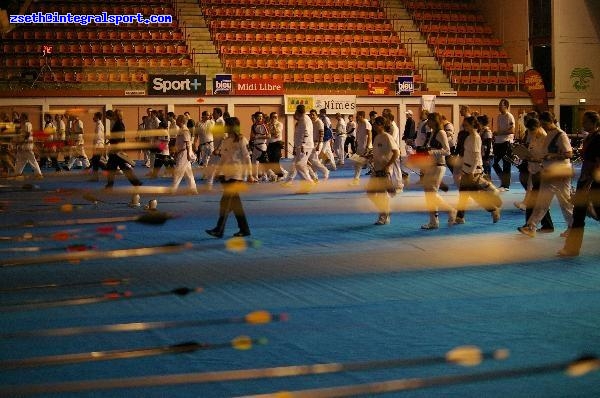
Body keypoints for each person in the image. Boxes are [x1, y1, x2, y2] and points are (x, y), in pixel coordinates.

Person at [518, 111, 573, 237]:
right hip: (548, 172)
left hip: (561, 173)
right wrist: (536, 160)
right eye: (541, 124)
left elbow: (569, 154)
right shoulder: (549, 135)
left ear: (551, 121)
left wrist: (553, 155)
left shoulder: (561, 135)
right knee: (542, 202)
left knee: (565, 203)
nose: (542, 126)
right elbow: (545, 156)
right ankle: (531, 227)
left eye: (544, 123)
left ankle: (572, 227)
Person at [559, 111, 600, 256]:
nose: (583, 124)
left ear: (594, 123)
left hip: (593, 182)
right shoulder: (589, 138)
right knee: (578, 215)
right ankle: (572, 248)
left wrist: (589, 183)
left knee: (593, 213)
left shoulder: (598, 139)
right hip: (584, 179)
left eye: (586, 121)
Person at [206, 116, 255, 238]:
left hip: (237, 175)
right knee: (235, 205)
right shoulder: (225, 140)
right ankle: (245, 229)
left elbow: (247, 158)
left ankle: (219, 229)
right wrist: (218, 172)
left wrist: (250, 175)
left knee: (225, 202)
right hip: (226, 175)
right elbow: (223, 158)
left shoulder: (242, 140)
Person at [454, 116, 501, 224]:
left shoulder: (475, 137)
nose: (463, 125)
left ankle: (493, 209)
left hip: (473, 171)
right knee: (464, 194)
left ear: (471, 125)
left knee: (473, 195)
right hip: (467, 169)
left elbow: (476, 157)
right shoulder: (469, 137)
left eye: (465, 124)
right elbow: (468, 155)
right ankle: (460, 217)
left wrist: (471, 172)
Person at [516, 117, 554, 233]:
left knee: (534, 201)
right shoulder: (534, 137)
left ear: (537, 127)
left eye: (531, 130)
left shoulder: (545, 138)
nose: (530, 133)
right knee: (539, 202)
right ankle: (547, 225)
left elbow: (547, 158)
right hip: (534, 171)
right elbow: (531, 152)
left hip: (542, 173)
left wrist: (533, 159)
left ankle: (529, 225)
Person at [420, 112, 457, 229]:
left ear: (434, 121)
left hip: (439, 166)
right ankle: (434, 220)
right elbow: (434, 148)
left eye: (429, 120)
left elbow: (447, 151)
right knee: (428, 193)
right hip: (432, 166)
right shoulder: (433, 133)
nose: (427, 123)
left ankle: (449, 211)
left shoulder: (441, 133)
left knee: (431, 193)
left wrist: (431, 152)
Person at [366, 116, 400, 225]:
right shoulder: (377, 137)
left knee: (382, 194)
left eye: (375, 123)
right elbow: (377, 153)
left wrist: (388, 165)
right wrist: (370, 157)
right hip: (376, 169)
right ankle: (386, 211)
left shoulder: (387, 137)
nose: (373, 125)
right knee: (370, 193)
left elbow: (396, 153)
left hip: (384, 170)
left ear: (381, 125)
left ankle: (383, 216)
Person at [104, 109, 142, 189]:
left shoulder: (119, 124)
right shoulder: (117, 123)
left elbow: (120, 137)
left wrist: (111, 140)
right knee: (118, 167)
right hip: (116, 148)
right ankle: (136, 182)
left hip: (117, 149)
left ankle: (110, 185)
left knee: (115, 167)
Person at [492, 98, 515, 191]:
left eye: (500, 105)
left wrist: (500, 133)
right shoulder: (499, 116)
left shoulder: (509, 116)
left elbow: (512, 130)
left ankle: (505, 185)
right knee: (495, 163)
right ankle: (504, 180)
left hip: (507, 142)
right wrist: (496, 135)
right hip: (498, 142)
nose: (499, 107)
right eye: (498, 105)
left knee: (506, 164)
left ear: (506, 106)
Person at [171, 114, 198, 194]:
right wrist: (175, 152)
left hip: (184, 153)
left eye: (177, 120)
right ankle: (193, 190)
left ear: (181, 121)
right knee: (188, 173)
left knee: (178, 172)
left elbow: (188, 143)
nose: (176, 121)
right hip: (181, 152)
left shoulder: (185, 130)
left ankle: (173, 190)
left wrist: (189, 155)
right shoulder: (180, 130)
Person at [14, 112, 43, 179]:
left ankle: (39, 174)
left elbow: (27, 135)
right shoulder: (23, 124)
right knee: (21, 161)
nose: (20, 118)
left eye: (21, 117)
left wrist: (21, 143)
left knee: (32, 160)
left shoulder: (28, 124)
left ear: (24, 117)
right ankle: (17, 173)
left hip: (27, 145)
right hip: (23, 145)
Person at [266, 111, 287, 180]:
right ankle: (277, 174)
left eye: (276, 117)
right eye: (273, 117)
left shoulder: (279, 124)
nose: (275, 118)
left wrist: (274, 125)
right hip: (270, 144)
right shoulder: (268, 124)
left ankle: (280, 175)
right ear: (270, 118)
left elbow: (276, 134)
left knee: (276, 160)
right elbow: (267, 135)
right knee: (270, 160)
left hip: (277, 144)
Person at [88, 112, 105, 181]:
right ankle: (96, 177)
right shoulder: (98, 125)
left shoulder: (99, 125)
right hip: (99, 146)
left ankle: (107, 170)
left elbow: (98, 137)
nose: (93, 118)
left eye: (94, 116)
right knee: (96, 162)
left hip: (98, 146)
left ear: (97, 117)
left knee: (96, 162)